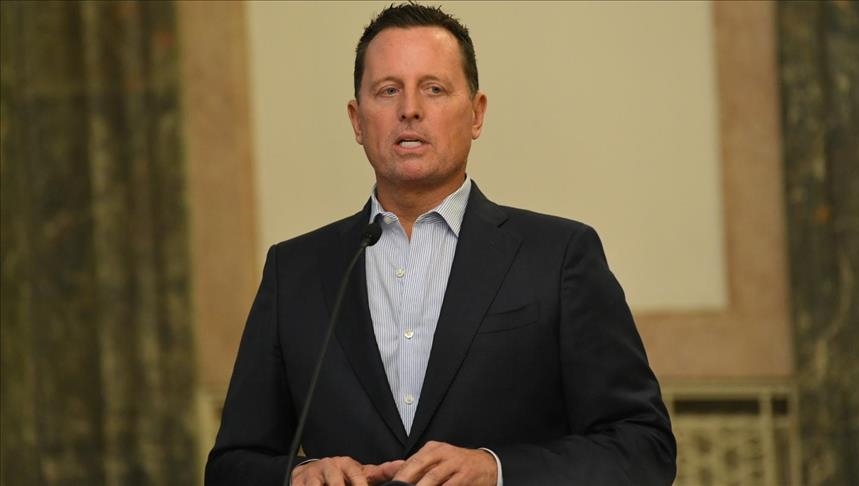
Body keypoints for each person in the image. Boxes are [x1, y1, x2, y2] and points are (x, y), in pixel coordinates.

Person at [205, 3, 676, 485]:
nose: (410, 109)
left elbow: (644, 448)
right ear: (357, 120)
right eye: (388, 90)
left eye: (434, 88)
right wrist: (298, 475)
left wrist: (496, 471)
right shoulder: (294, 271)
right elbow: (231, 465)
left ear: (476, 114)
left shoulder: (559, 256)